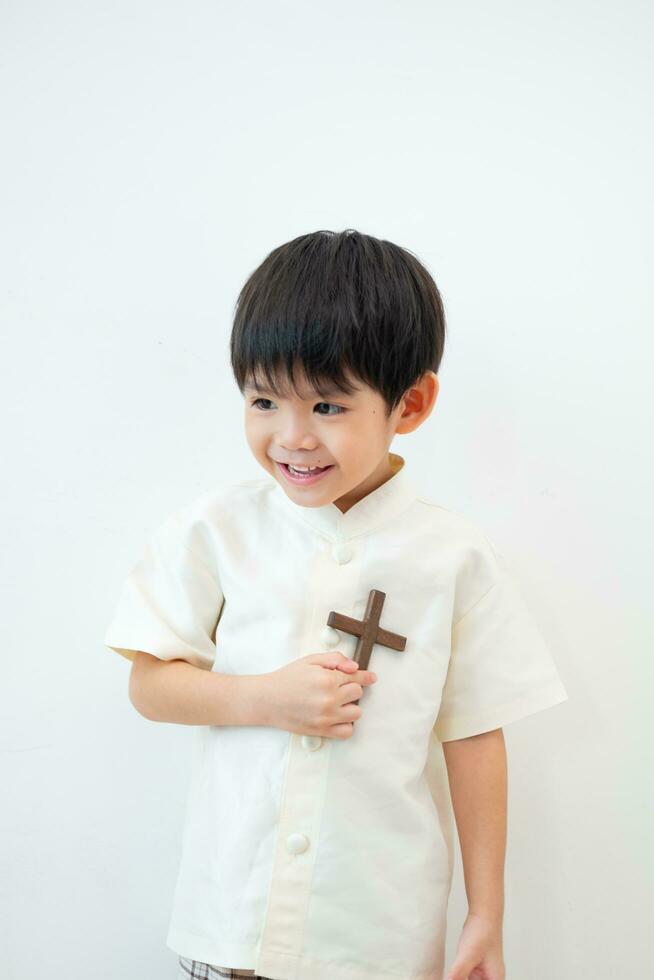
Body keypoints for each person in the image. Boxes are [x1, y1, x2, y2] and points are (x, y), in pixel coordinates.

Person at [104, 229, 569, 980]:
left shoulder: (453, 556)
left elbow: (476, 735)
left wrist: (486, 913)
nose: (291, 438)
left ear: (410, 403)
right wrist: (266, 699)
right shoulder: (217, 530)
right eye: (263, 400)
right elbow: (150, 684)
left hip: (376, 931)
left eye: (326, 404)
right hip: (235, 924)